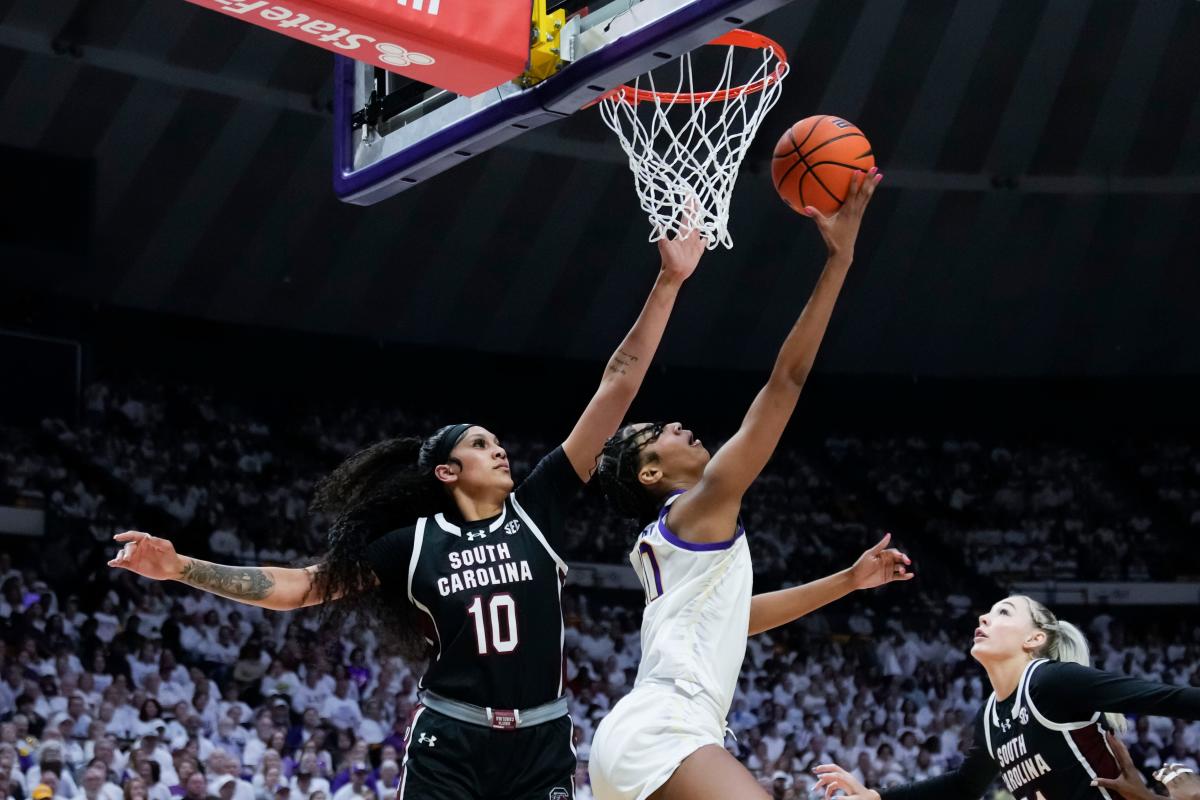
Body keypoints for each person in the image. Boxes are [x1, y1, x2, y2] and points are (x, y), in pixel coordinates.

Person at [108, 231, 709, 800]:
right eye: (478, 443)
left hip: (541, 738)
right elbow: (301, 588)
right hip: (450, 737)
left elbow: (617, 385)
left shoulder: (538, 507)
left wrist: (669, 281)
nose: (498, 448)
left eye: (496, 441)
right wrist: (182, 567)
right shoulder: (414, 545)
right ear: (446, 472)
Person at [589, 168, 895, 800]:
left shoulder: (675, 541)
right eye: (659, 431)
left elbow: (737, 621)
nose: (677, 423)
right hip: (667, 729)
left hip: (648, 733)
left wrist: (848, 580)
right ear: (651, 472)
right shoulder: (701, 506)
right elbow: (786, 381)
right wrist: (839, 260)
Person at [813, 595, 1200, 800]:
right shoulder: (988, 716)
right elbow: (964, 786)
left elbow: (1168, 698)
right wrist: (877, 796)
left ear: (1034, 640)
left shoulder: (1050, 681)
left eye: (1003, 612)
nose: (984, 617)